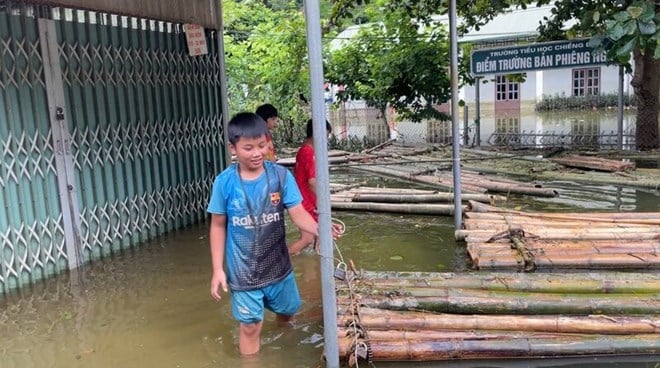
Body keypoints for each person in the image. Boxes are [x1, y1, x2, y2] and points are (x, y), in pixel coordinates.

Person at [207, 112, 335, 356]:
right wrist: (217, 269)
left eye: (261, 146)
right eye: (248, 148)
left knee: (287, 314)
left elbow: (297, 212)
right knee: (251, 327)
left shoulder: (280, 176)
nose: (256, 153)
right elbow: (217, 225)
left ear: (267, 143)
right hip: (244, 271)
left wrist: (321, 230)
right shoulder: (224, 183)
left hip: (279, 267)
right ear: (232, 148)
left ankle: (287, 346)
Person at [289, 119, 334, 255]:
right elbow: (312, 181)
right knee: (307, 238)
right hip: (305, 201)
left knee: (320, 234)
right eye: (325, 136)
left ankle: (316, 267)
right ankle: (279, 260)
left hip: (306, 199)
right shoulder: (308, 153)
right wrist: (324, 200)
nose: (325, 140)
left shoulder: (305, 151)